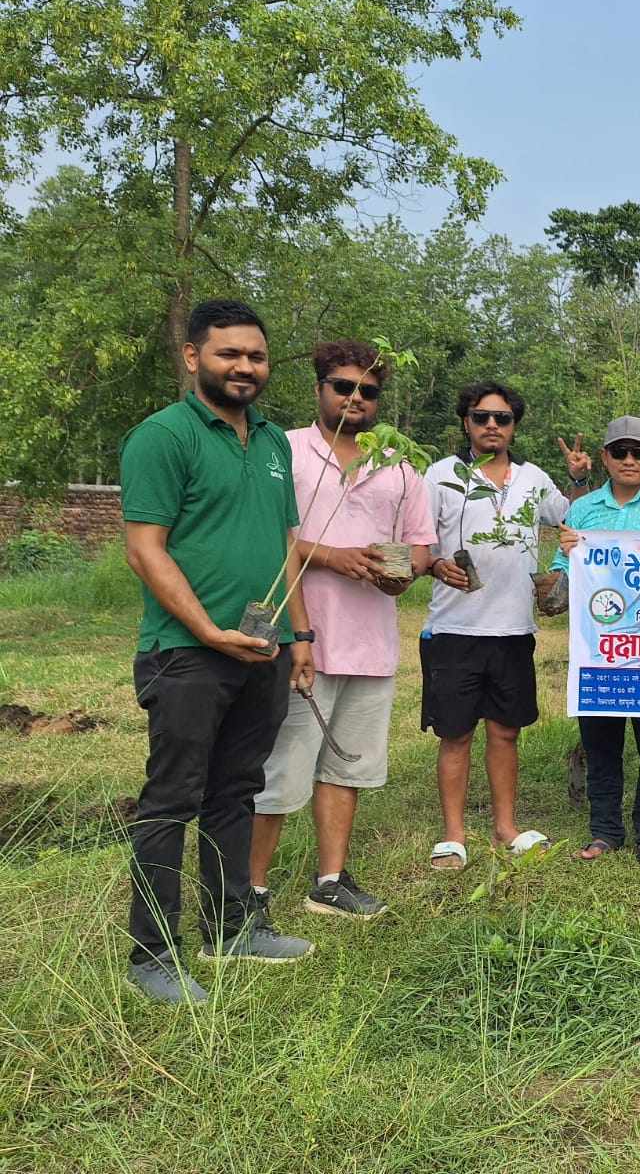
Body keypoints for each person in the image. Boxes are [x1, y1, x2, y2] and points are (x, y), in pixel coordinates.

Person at [120, 299, 315, 1003]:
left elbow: (287, 546)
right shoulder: (162, 437)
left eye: (256, 356)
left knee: (236, 790)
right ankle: (153, 956)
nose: (245, 367)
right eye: (229, 353)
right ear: (193, 356)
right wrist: (206, 630)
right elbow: (145, 551)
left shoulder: (271, 443)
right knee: (171, 799)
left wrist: (299, 636)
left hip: (262, 651)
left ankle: (232, 927)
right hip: (188, 654)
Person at [249, 341, 436, 920]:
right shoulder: (283, 451)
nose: (355, 399)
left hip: (370, 641)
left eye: (369, 391)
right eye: (343, 387)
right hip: (295, 638)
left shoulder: (399, 466)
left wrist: (402, 574)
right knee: (279, 769)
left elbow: (422, 546)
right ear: (319, 390)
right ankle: (249, 892)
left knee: (345, 765)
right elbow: (261, 534)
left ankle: (329, 881)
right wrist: (330, 556)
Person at [420, 381, 582, 870]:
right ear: (466, 421)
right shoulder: (441, 475)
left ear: (514, 425)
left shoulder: (532, 478)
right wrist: (432, 566)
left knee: (506, 732)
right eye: (482, 416)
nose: (493, 425)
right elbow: (418, 542)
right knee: (456, 735)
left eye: (503, 418)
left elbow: (572, 520)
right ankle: (453, 835)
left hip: (514, 629)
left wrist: (575, 479)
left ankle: (505, 827)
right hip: (454, 628)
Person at [554, 416, 640, 870]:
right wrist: (566, 558)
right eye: (619, 452)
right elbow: (560, 576)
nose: (629, 460)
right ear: (604, 457)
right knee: (601, 742)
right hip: (599, 648)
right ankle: (605, 829)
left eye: (638, 452)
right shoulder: (582, 511)